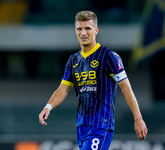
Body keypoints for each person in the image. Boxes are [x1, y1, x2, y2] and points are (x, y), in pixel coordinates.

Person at [39, 10, 148, 150]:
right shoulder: (73, 60)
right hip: (81, 124)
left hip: (101, 123)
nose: (83, 33)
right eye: (79, 29)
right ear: (75, 30)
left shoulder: (109, 56)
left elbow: (125, 87)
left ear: (96, 30)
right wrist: (48, 107)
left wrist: (138, 118)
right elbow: (63, 89)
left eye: (87, 29)